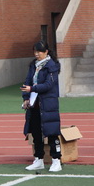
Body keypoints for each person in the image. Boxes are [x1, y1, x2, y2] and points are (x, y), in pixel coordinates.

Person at [21, 41, 63, 172]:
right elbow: (27, 81)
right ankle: (38, 159)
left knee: (51, 132)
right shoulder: (33, 65)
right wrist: (26, 98)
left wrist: (32, 88)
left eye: (39, 51)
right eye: (35, 51)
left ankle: (56, 160)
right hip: (34, 103)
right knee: (35, 132)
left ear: (46, 52)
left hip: (48, 103)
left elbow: (49, 85)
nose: (36, 54)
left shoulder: (52, 66)